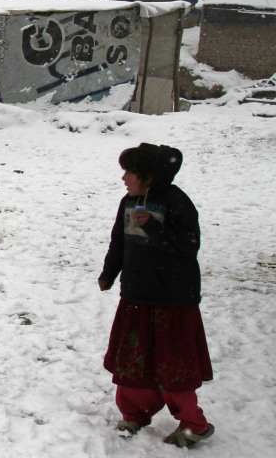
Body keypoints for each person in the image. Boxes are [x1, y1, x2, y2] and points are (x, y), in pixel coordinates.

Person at [98, 143, 214, 447]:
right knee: (132, 363)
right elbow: (119, 243)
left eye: (130, 172)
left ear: (148, 176)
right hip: (136, 297)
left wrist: (153, 228)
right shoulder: (128, 202)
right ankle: (134, 413)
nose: (124, 178)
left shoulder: (177, 203)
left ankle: (193, 425)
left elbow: (189, 247)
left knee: (172, 367)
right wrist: (109, 273)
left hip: (172, 302)